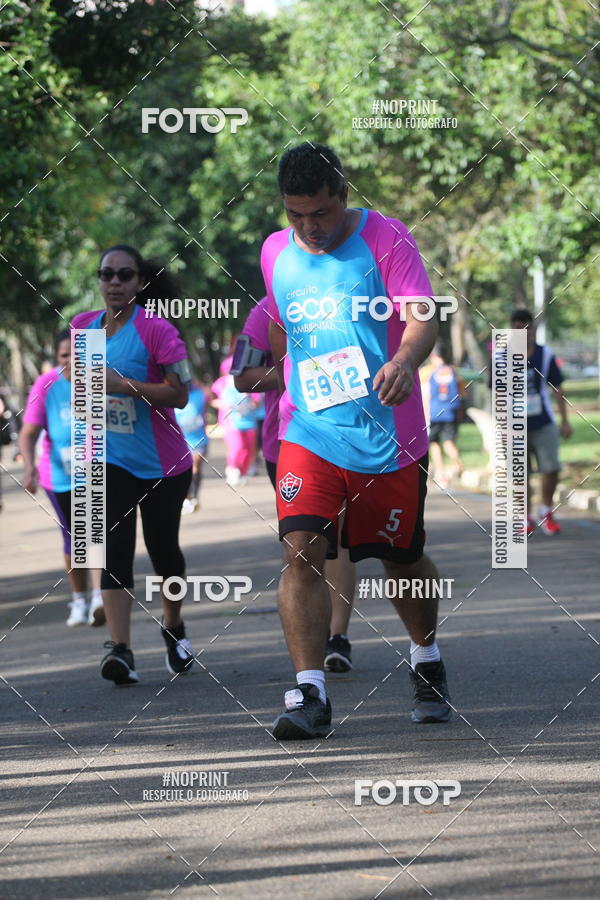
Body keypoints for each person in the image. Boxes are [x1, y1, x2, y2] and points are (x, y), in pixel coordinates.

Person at [264, 142, 451, 739]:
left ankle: (426, 657)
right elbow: (279, 326)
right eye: (296, 214)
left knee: (402, 557)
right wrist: (287, 381)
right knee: (301, 550)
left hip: (386, 434)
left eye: (320, 212)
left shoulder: (387, 238)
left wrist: (403, 361)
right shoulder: (274, 252)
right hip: (309, 429)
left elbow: (423, 316)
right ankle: (310, 693)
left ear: (343, 194)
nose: (309, 227)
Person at [70, 245, 195, 684]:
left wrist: (125, 386)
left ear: (140, 282)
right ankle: (120, 649)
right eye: (107, 274)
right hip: (108, 457)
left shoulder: (157, 330)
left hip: (163, 464)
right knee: (112, 550)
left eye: (125, 275)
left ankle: (173, 626)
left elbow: (180, 394)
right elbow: (83, 392)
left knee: (165, 553)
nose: (115, 282)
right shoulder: (83, 327)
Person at [233, 297, 356, 672]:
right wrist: (299, 372)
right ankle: (312, 643)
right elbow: (243, 377)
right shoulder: (267, 308)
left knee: (339, 539)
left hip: (348, 436)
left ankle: (337, 637)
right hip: (287, 442)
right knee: (302, 545)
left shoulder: (348, 298)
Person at [19, 330, 104, 627]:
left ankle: (99, 598)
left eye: (78, 355)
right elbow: (28, 433)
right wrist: (29, 468)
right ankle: (79, 599)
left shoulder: (101, 380)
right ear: (57, 357)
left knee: (93, 532)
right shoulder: (46, 384)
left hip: (96, 472)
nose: (72, 361)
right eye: (65, 355)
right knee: (73, 538)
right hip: (58, 476)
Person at [510, 308, 572, 535]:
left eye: (526, 327)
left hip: (544, 422)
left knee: (551, 468)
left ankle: (546, 510)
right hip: (515, 426)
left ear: (532, 329)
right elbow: (497, 393)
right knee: (520, 474)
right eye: (517, 327)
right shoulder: (501, 356)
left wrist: (565, 421)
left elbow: (558, 389)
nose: (522, 331)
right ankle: (524, 516)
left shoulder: (545, 354)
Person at [419, 342, 464, 488]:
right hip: (450, 412)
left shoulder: (426, 372)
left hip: (434, 413)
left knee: (434, 442)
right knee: (449, 441)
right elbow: (461, 393)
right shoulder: (453, 371)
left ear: (432, 356)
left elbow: (424, 394)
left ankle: (441, 472)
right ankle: (458, 463)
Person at [211, 357, 259, 487]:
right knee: (237, 447)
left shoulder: (249, 381)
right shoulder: (222, 383)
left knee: (247, 450)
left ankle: (242, 472)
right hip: (231, 422)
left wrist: (250, 403)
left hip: (249, 421)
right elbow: (212, 399)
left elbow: (257, 401)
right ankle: (233, 469)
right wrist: (223, 404)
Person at [175, 379, 209, 513]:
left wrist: (200, 384)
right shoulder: (173, 394)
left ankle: (193, 497)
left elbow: (211, 395)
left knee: (195, 467)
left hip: (198, 439)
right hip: (179, 440)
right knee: (184, 470)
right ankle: (186, 498)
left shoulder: (199, 393)